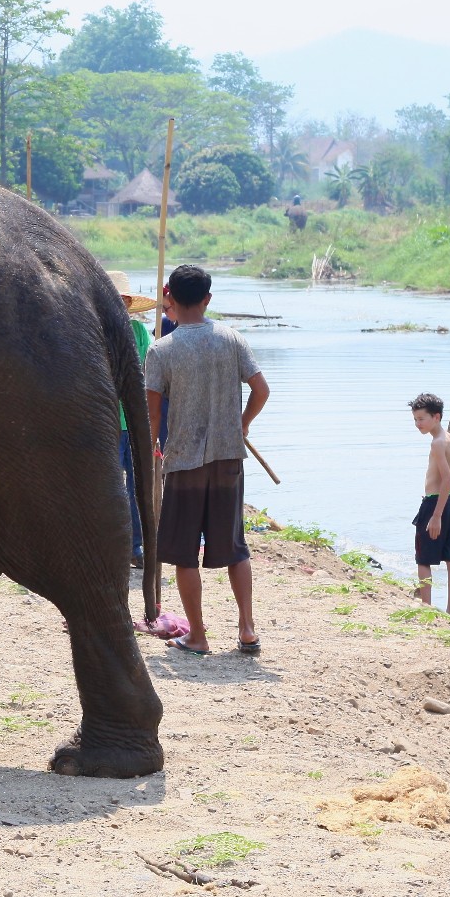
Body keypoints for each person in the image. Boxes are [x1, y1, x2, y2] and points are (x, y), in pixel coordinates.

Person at [144, 263, 270, 655]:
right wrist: (242, 424)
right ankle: (246, 629)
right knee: (235, 546)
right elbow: (261, 390)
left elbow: (151, 414)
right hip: (228, 457)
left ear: (170, 300)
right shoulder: (233, 339)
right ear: (207, 299)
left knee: (184, 552)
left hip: (183, 461)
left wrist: (152, 447)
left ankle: (198, 636)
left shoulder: (161, 350)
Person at [105, 271, 157, 568]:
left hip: (134, 423)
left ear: (127, 303)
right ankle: (114, 546)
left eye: (122, 301)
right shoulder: (95, 332)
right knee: (109, 487)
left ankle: (136, 547)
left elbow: (152, 370)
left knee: (136, 488)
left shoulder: (139, 334)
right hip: (107, 424)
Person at [408, 393, 450, 615]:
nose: (417, 424)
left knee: (423, 559)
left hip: (435, 502)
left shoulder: (437, 443)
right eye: (415, 419)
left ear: (436, 417)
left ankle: (427, 608)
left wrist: (436, 516)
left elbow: (447, 479)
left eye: (421, 419)